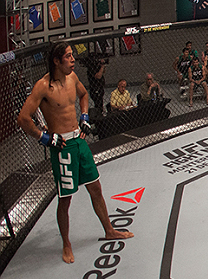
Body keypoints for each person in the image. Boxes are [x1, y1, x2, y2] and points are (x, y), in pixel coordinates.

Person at [16, 42, 134, 263]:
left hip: (79, 142)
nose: (73, 60)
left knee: (96, 188)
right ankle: (67, 244)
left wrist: (85, 117)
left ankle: (109, 229)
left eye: (72, 55)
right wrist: (44, 137)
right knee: (65, 198)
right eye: (68, 56)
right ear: (57, 61)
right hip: (61, 147)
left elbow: (84, 95)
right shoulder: (43, 86)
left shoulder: (72, 79)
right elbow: (23, 118)